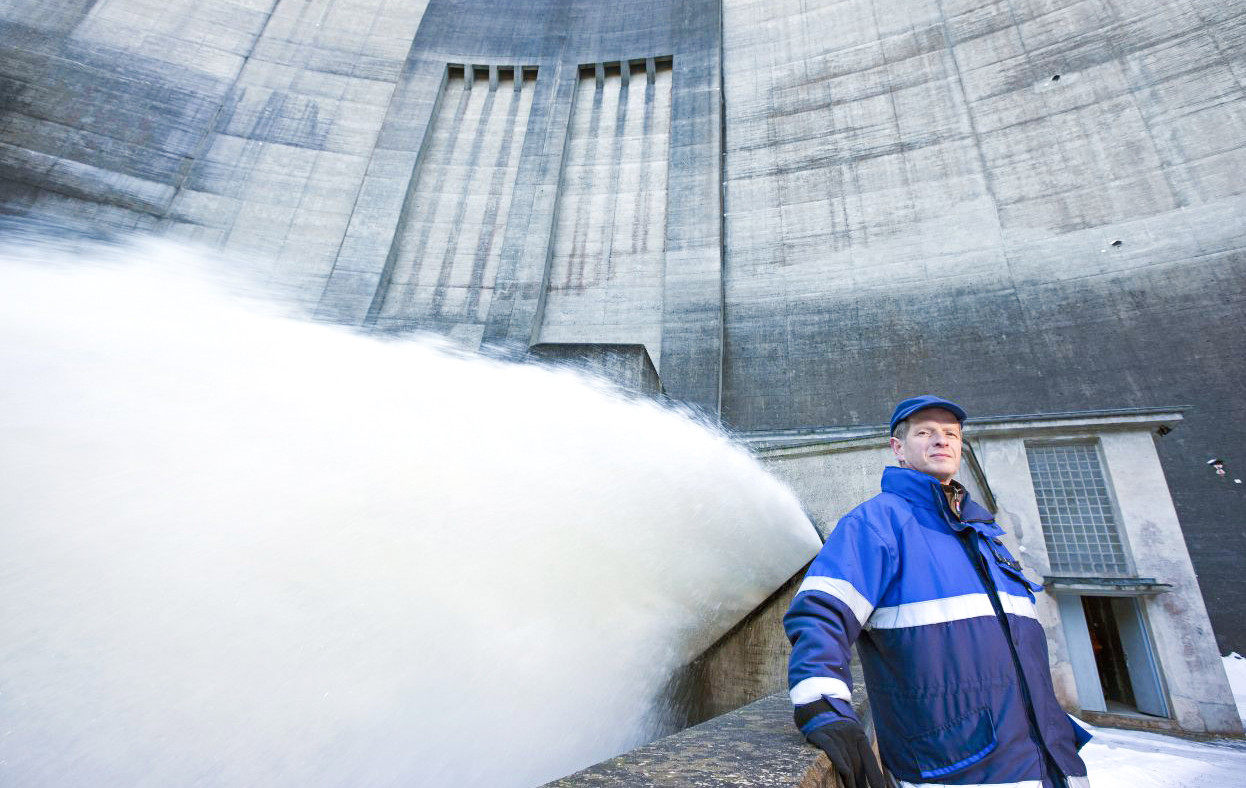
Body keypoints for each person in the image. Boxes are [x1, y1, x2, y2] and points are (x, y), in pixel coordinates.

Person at [783, 395, 1091, 788]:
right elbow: (820, 613)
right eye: (925, 432)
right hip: (956, 769)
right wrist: (822, 705)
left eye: (950, 434)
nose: (940, 441)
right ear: (898, 448)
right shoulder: (876, 524)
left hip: (1048, 763)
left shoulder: (985, 535)